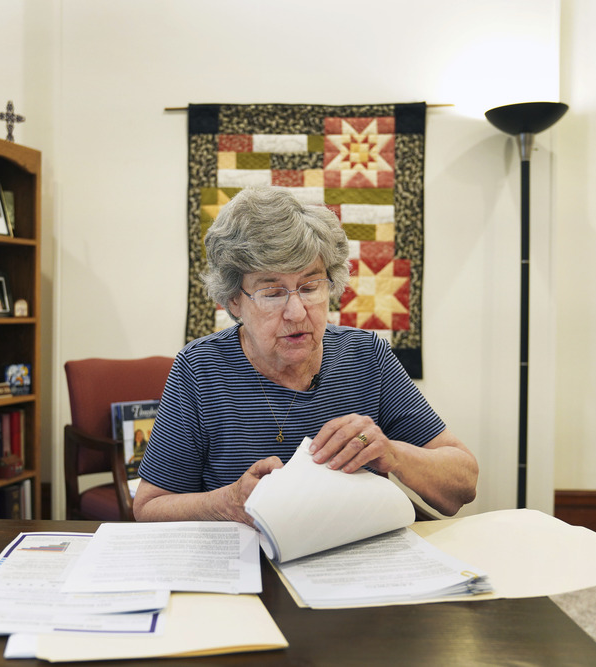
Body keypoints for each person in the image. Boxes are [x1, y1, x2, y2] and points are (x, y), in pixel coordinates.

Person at [134, 187, 477, 525]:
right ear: (233, 301)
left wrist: (394, 455)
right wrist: (227, 503)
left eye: (310, 288)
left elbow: (464, 484)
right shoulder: (201, 370)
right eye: (272, 292)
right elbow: (149, 507)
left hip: (351, 563)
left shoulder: (366, 357)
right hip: (250, 568)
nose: (297, 312)